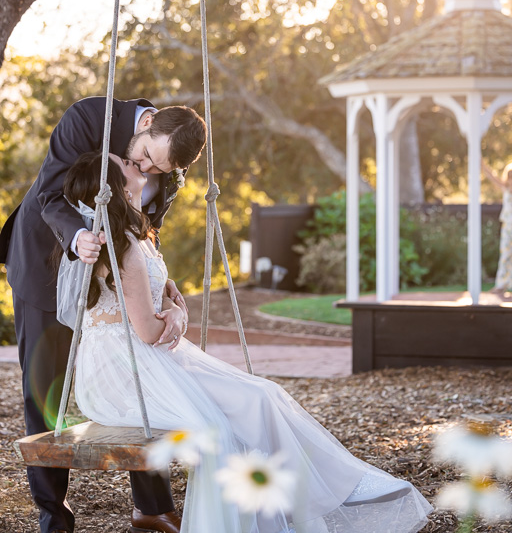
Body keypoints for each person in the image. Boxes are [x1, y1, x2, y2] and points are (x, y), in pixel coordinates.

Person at [64, 150, 432, 533]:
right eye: (124, 163)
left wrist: (175, 306)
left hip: (148, 360)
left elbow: (153, 306)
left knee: (264, 396)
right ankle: (325, 494)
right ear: (118, 189)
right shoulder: (122, 249)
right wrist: (176, 315)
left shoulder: (138, 237)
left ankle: (322, 492)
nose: (133, 161)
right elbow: (149, 331)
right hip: (125, 375)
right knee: (228, 422)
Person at [0, 97, 206, 533]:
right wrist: (77, 238)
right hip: (47, 264)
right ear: (147, 123)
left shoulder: (165, 156)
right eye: (146, 156)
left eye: (159, 169)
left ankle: (151, 507)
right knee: (45, 392)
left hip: (113, 280)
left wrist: (156, 280)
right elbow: (50, 193)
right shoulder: (88, 119)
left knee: (136, 378)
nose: (147, 170)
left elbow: (147, 220)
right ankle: (53, 518)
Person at [482, 159, 512, 296]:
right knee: (505, 255)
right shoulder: (505, 189)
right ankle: (501, 285)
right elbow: (492, 177)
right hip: (508, 226)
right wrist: (482, 164)